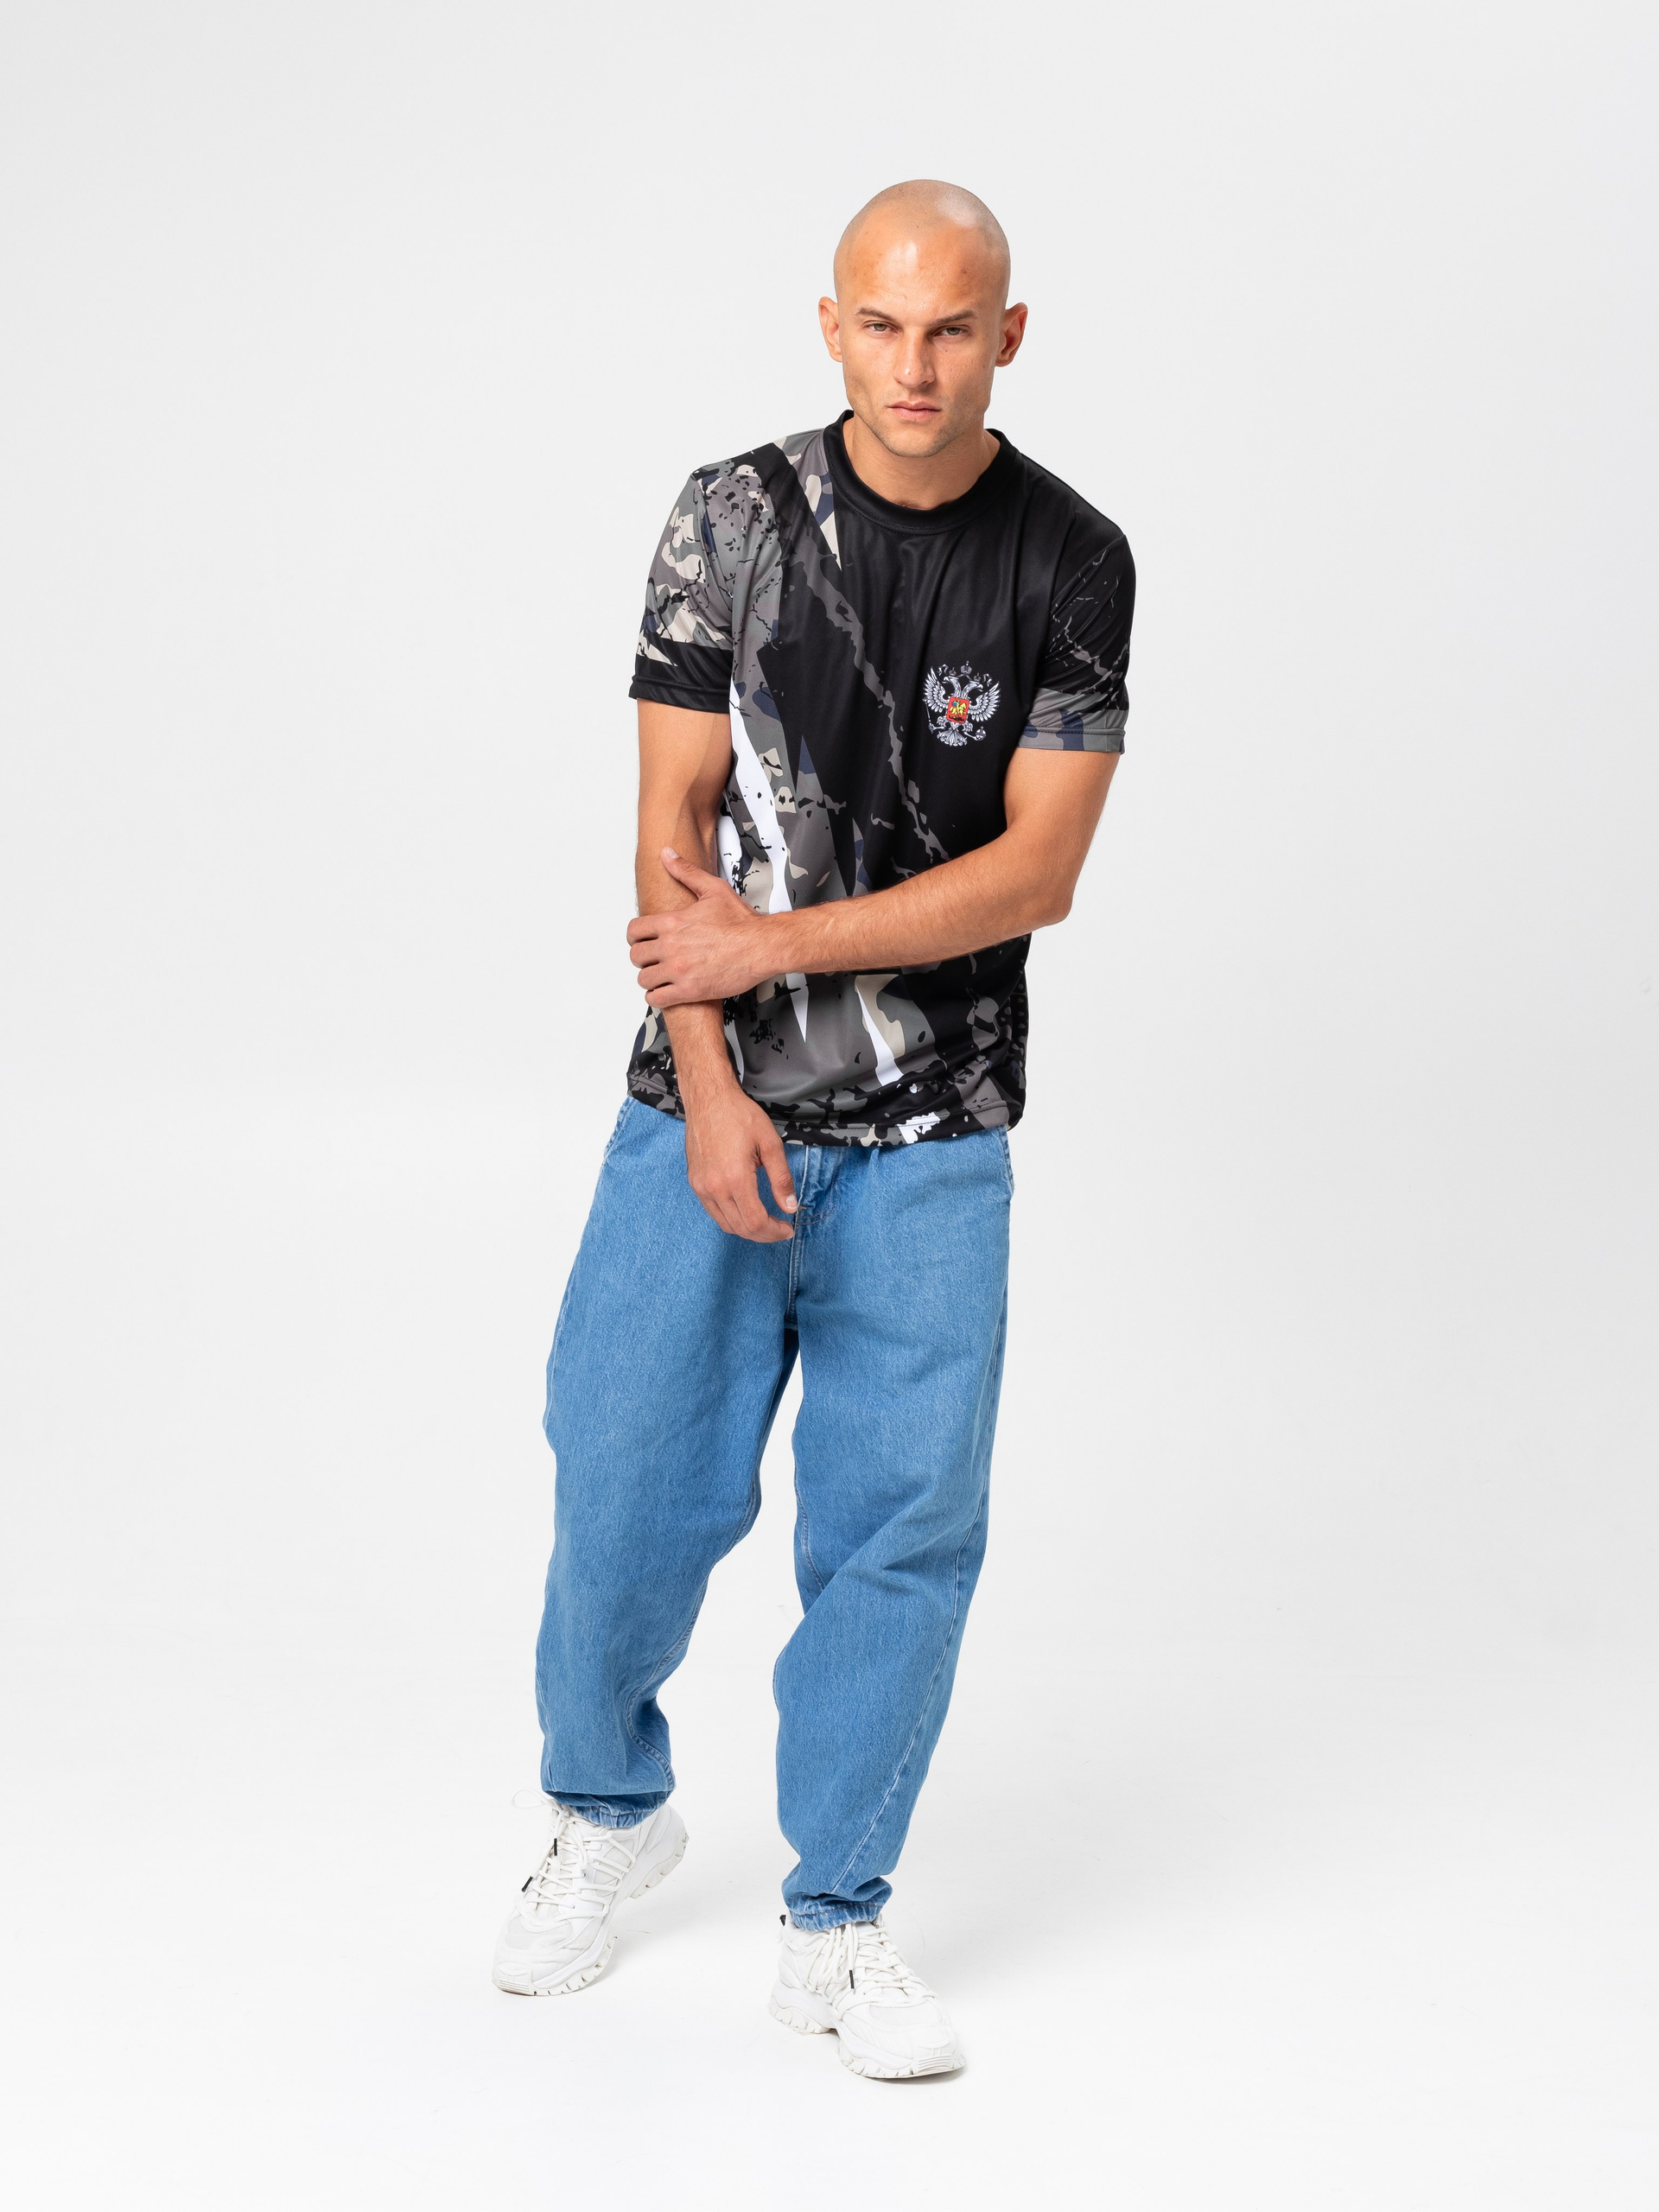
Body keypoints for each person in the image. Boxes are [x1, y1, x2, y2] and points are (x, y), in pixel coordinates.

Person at [493, 179, 1135, 2080]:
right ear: (832, 324)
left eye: (952, 328)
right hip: (704, 1111)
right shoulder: (733, 516)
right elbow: (667, 828)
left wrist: (774, 944)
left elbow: (1039, 872)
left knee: (899, 1532)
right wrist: (709, 1080)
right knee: (621, 1483)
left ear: (1008, 336)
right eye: (881, 323)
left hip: (938, 1132)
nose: (914, 365)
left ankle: (836, 1920)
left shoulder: (1073, 556)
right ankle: (607, 1811)